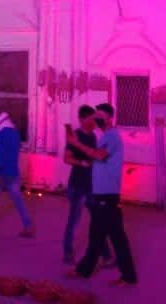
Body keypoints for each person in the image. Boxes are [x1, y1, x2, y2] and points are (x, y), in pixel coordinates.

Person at [69, 103, 137, 287]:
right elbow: (99, 159)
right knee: (108, 235)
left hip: (107, 195)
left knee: (103, 235)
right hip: (103, 194)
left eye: (100, 115)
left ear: (109, 118)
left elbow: (100, 155)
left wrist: (76, 144)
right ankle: (126, 275)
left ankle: (86, 270)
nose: (97, 118)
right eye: (96, 115)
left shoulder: (112, 137)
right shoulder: (105, 136)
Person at [62, 105, 99, 264]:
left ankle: (106, 254)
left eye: (94, 119)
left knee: (98, 219)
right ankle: (67, 252)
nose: (93, 122)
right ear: (82, 119)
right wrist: (81, 163)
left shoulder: (93, 137)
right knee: (74, 221)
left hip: (91, 185)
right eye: (91, 119)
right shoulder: (74, 136)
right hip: (77, 185)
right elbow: (66, 158)